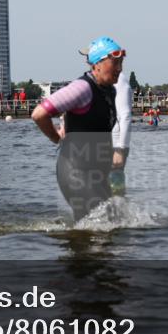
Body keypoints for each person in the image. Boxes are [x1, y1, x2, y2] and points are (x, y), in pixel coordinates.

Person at [31, 37, 124, 221]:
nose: (120, 68)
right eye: (115, 63)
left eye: (121, 63)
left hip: (97, 172)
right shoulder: (82, 88)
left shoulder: (110, 91)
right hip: (75, 172)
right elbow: (39, 114)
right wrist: (57, 139)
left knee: (113, 223)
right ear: (97, 64)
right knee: (100, 229)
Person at [109, 69, 133, 195]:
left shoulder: (119, 80)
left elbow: (125, 116)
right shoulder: (102, 80)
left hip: (115, 144)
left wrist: (120, 149)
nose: (87, 61)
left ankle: (119, 212)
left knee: (115, 190)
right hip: (102, 141)